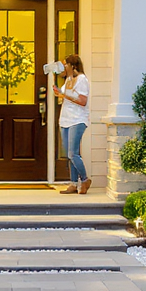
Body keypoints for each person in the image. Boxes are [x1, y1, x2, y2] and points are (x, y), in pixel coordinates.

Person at [53, 54, 91, 194]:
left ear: (73, 66)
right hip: (66, 119)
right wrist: (58, 92)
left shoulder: (82, 80)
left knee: (73, 153)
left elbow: (82, 101)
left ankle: (85, 179)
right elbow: (63, 94)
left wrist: (65, 96)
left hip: (78, 119)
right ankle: (74, 183)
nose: (65, 67)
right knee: (70, 154)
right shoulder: (68, 79)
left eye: (66, 64)